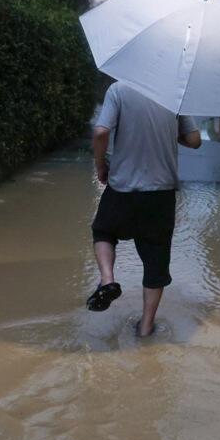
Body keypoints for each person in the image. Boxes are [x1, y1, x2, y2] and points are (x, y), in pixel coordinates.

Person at [87, 81, 201, 337]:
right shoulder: (175, 92)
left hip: (122, 188)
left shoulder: (118, 89)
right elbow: (195, 141)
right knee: (156, 262)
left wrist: (100, 166)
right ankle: (146, 327)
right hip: (161, 195)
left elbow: (101, 133)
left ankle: (107, 280)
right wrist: (169, 132)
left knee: (104, 232)